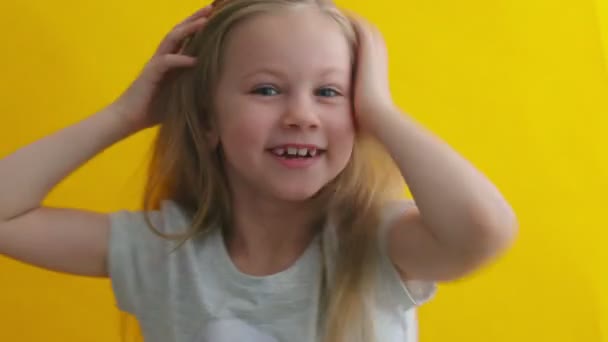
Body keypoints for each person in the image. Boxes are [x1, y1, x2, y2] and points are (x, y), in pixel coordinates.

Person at [0, 0, 518, 341]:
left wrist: (380, 109)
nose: (301, 114)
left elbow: (484, 232)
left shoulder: (378, 243)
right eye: (266, 89)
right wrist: (125, 116)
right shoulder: (163, 253)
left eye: (330, 92)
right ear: (207, 121)